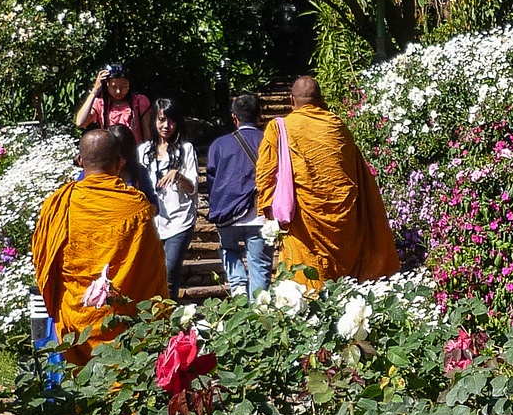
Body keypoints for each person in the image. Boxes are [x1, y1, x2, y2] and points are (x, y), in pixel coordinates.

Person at [31, 128, 168, 365]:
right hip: (123, 326)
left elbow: (44, 265)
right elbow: (152, 274)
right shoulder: (136, 208)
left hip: (76, 323)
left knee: (81, 391)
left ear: (81, 161)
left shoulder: (59, 205)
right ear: (119, 162)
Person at [255, 76, 399, 288]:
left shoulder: (278, 128)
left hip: (304, 225)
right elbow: (357, 176)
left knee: (303, 288)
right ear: (321, 101)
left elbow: (265, 176)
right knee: (347, 289)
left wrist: (270, 217)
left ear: (291, 100)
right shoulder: (337, 126)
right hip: (346, 225)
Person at [206, 93, 274, 298]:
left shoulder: (219, 144)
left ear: (234, 118)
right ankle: (260, 309)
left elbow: (211, 178)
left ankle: (238, 288)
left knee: (229, 250)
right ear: (260, 115)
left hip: (227, 214)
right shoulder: (268, 142)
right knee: (260, 266)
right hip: (260, 216)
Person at [138, 98, 198, 300]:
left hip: (179, 220)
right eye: (162, 120)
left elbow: (193, 189)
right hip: (152, 221)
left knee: (169, 271)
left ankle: (168, 320)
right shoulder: (143, 151)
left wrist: (178, 175)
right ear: (154, 121)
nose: (166, 126)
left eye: (171, 121)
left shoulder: (186, 149)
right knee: (150, 274)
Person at [74, 63, 155, 142]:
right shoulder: (100, 103)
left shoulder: (139, 102)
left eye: (123, 86)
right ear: (107, 85)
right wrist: (95, 90)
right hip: (110, 152)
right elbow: (80, 122)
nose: (118, 91)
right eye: (113, 87)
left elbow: (147, 134)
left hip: (134, 152)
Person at [109, 124, 159, 209]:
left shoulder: (139, 171)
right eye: (116, 153)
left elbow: (153, 203)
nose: (120, 159)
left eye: (123, 153)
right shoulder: (96, 171)